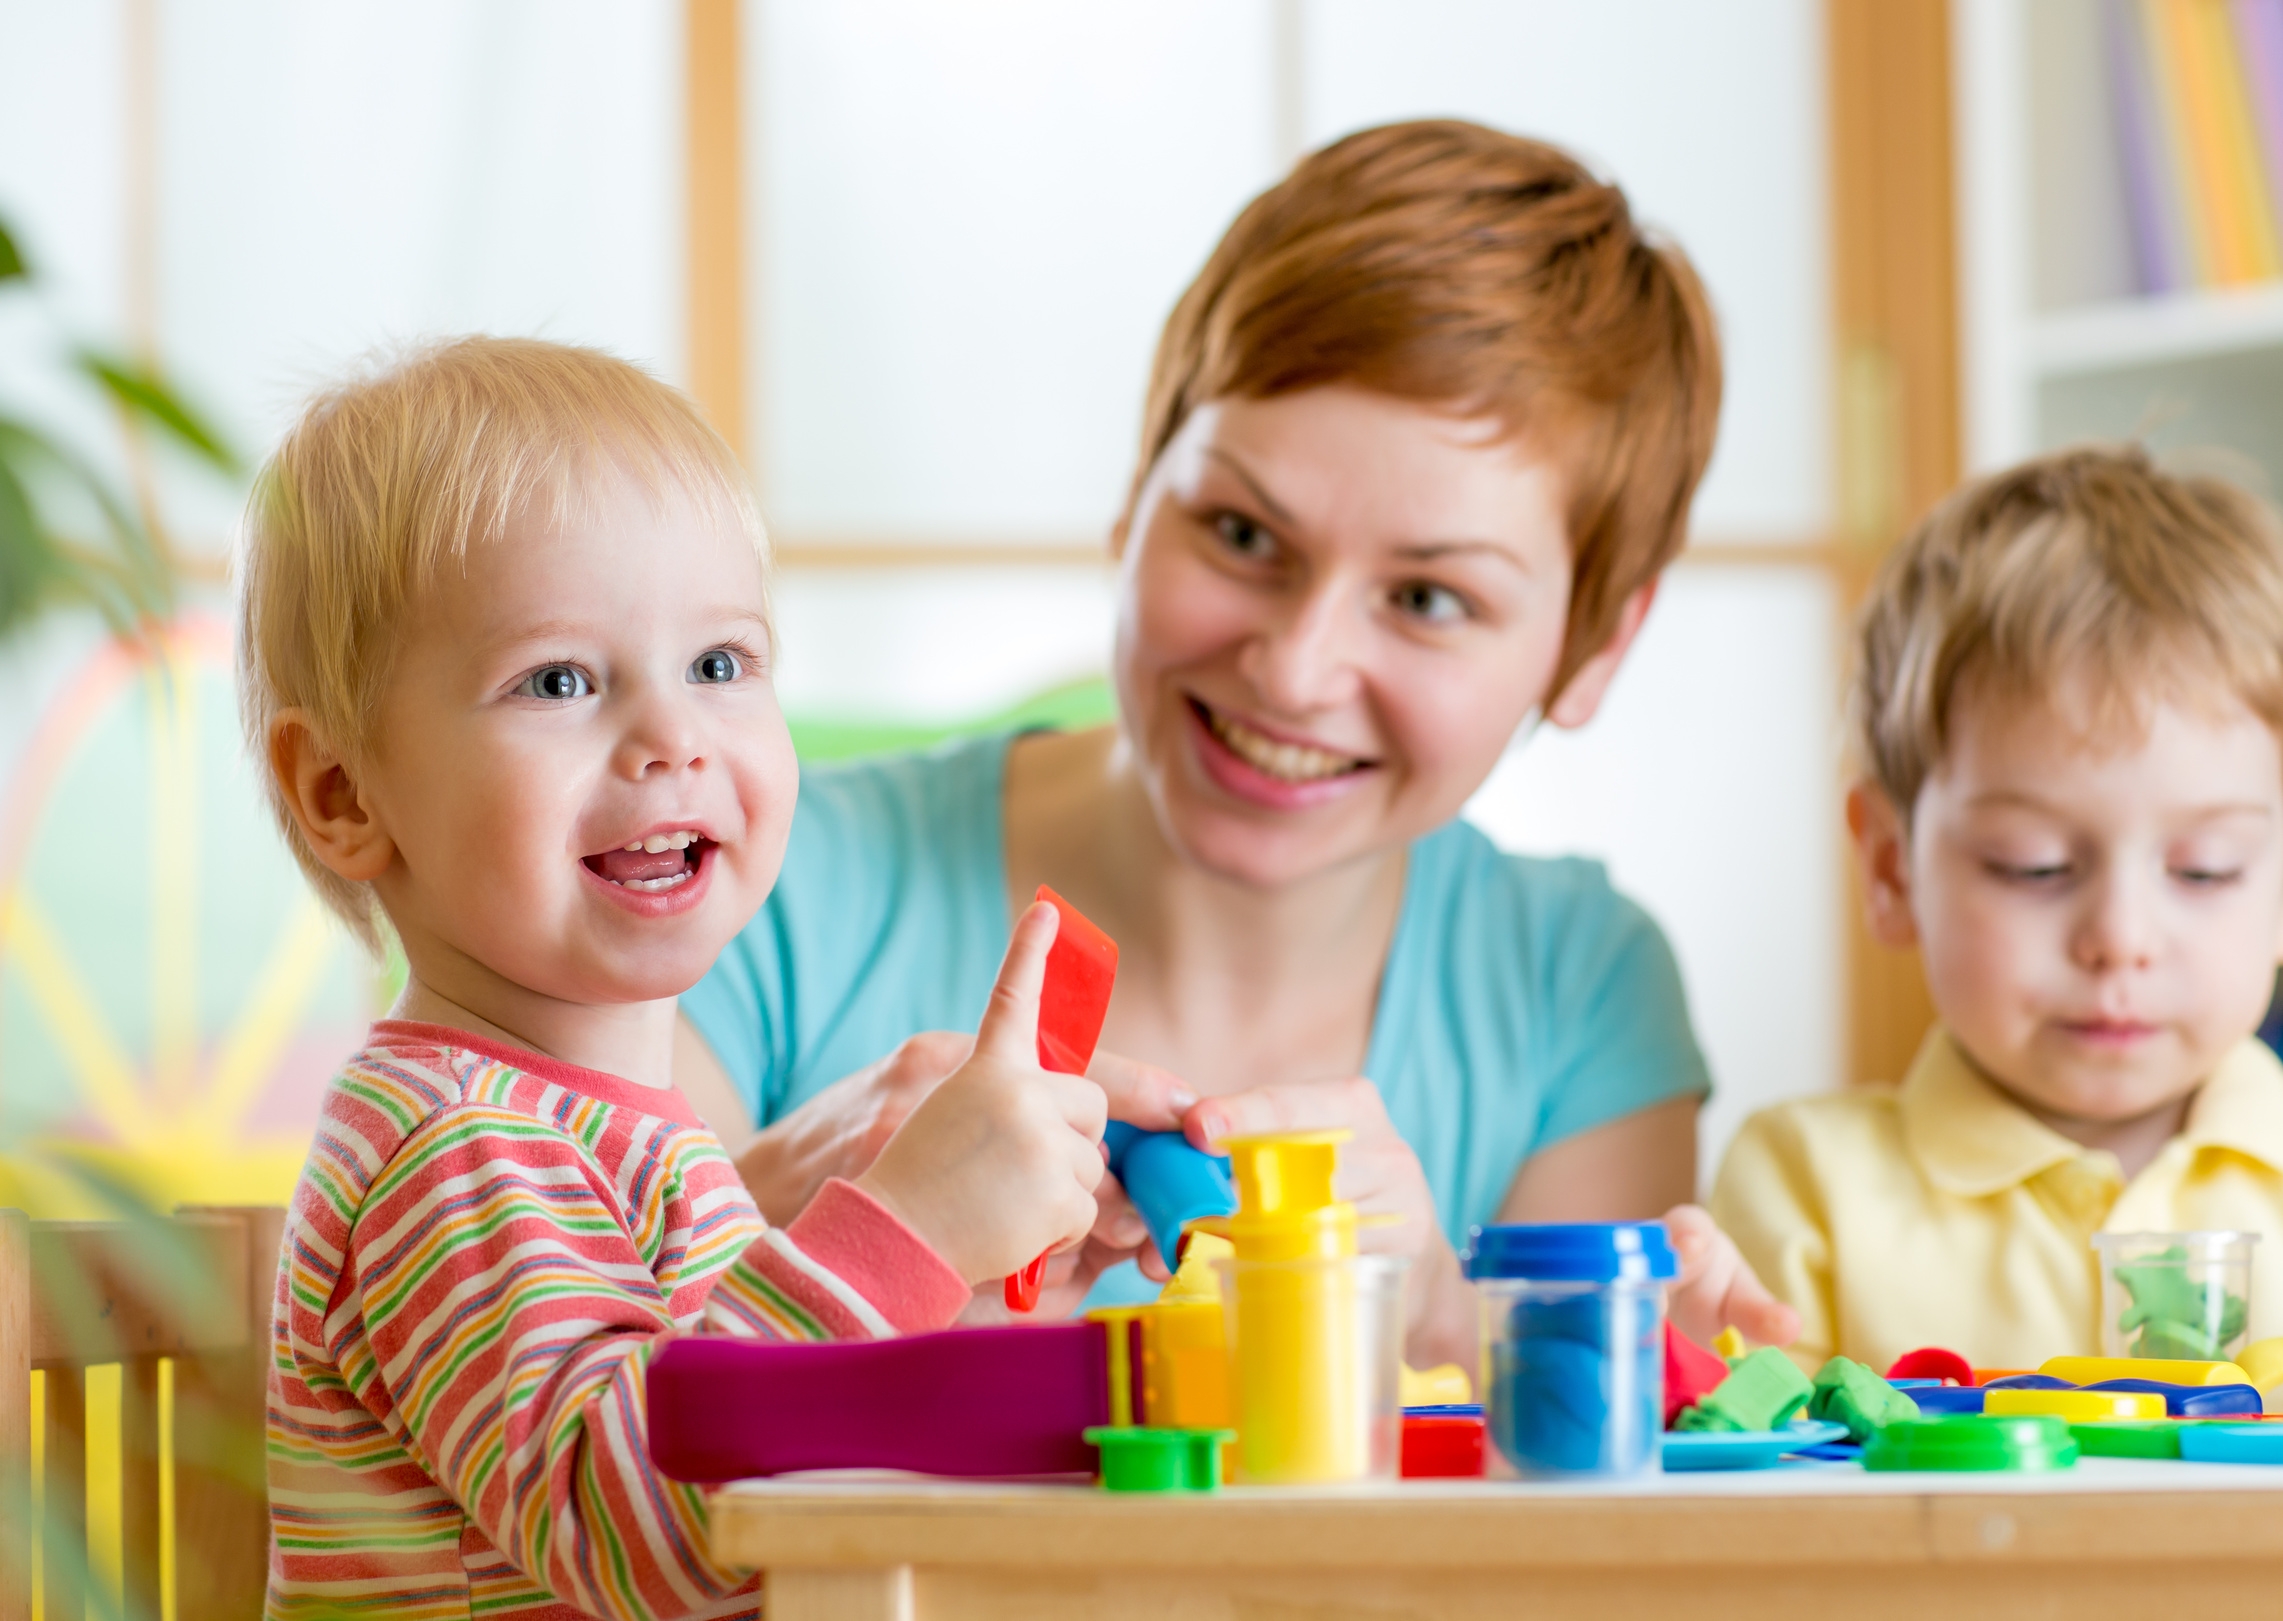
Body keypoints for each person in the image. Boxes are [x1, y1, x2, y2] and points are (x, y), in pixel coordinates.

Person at [677, 119, 1794, 1369]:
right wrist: (772, 1201)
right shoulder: (744, 874)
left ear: (1594, 647)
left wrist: (1439, 1312)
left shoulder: (1579, 989)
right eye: (1243, 535)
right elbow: (553, 1435)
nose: (1296, 667)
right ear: (1138, 485)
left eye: (1429, 599)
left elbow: (1577, 1522)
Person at [242, 338, 1164, 1618]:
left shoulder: (617, 1133)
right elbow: (650, 1524)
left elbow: (779, 1440)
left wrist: (956, 1291)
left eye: (720, 665)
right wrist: (911, 1229)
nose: (674, 738)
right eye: (559, 680)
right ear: (346, 794)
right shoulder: (453, 1151)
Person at [1713, 446, 2283, 1372]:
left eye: (2204, 868)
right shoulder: (1805, 1187)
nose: (2120, 941)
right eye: (2036, 865)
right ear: (1892, 869)